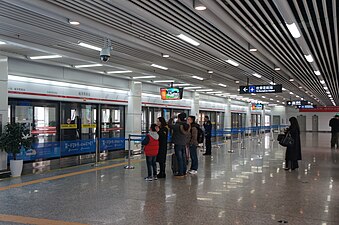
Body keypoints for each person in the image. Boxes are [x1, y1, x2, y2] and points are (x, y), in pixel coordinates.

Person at [168, 112, 189, 177]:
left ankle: (180, 172)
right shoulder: (187, 125)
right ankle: (184, 171)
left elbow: (169, 125)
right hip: (184, 143)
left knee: (179, 158)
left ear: (179, 118)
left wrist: (171, 118)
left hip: (178, 143)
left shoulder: (177, 126)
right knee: (183, 157)